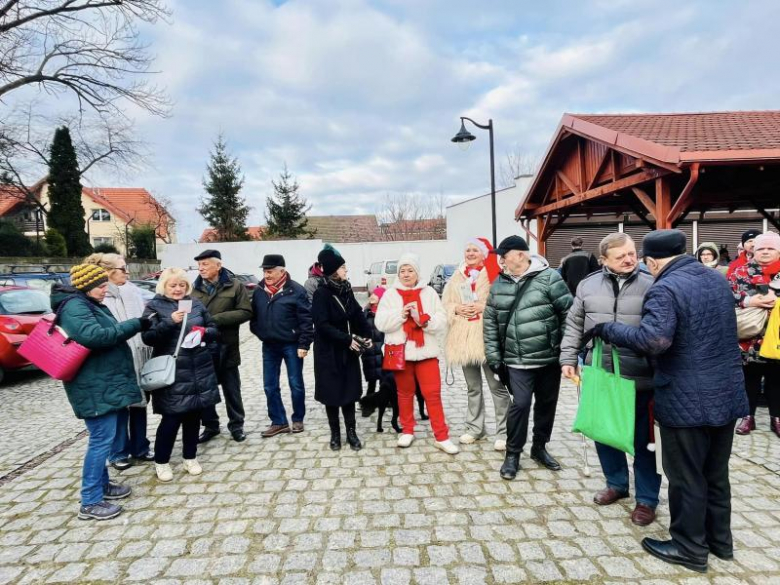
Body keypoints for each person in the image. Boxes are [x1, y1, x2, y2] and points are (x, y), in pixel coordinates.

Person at [590, 229, 748, 573]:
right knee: (715, 474)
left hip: (685, 398)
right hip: (726, 393)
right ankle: (720, 542)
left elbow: (655, 340)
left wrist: (609, 330)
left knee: (687, 476)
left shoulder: (665, 287)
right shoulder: (716, 279)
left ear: (651, 261)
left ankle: (689, 548)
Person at [559, 233, 660, 526]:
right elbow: (575, 324)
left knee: (645, 442)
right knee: (604, 431)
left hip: (640, 374)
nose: (630, 259)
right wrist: (568, 359)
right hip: (600, 370)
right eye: (621, 256)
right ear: (603, 260)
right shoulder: (588, 284)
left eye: (632, 253)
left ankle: (647, 499)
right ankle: (616, 484)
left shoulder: (652, 283)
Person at [52, 264, 150, 520]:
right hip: (93, 386)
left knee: (103, 440)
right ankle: (90, 500)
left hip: (103, 382)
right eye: (101, 285)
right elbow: (96, 337)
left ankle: (102, 487)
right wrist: (134, 324)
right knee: (100, 441)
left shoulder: (85, 303)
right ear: (85, 286)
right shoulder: (75, 306)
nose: (105, 289)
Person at [483, 236, 572, 480]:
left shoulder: (550, 278)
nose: (501, 259)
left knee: (546, 405)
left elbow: (568, 313)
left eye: (505, 255)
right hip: (516, 360)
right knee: (520, 404)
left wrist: (565, 350)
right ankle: (512, 454)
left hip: (548, 359)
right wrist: (493, 357)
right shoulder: (499, 283)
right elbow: (490, 322)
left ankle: (539, 447)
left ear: (520, 255)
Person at [142, 268, 221, 482]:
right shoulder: (153, 306)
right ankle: (162, 461)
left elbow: (214, 329)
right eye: (173, 285)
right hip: (173, 370)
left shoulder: (195, 304)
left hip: (198, 366)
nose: (178, 289)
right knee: (171, 418)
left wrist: (204, 332)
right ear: (164, 286)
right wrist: (170, 322)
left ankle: (190, 456)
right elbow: (148, 337)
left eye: (182, 285)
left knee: (194, 416)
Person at [375, 252, 458, 454]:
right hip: (401, 352)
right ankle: (408, 430)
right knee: (404, 394)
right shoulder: (390, 294)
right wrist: (400, 315)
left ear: (417, 273)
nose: (405, 274)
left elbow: (441, 319)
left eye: (410, 270)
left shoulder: (428, 293)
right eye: (402, 270)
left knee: (432, 394)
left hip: (425, 351)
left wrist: (424, 320)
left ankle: (441, 436)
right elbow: (380, 322)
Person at [84, 253, 154, 471]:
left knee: (139, 403)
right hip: (116, 358)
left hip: (138, 353)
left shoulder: (132, 290)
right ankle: (118, 452)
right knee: (120, 406)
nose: (128, 272)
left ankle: (140, 447)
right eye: (123, 269)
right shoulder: (100, 297)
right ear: (108, 272)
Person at [442, 237, 510, 451]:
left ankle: (504, 431)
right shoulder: (456, 276)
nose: (470, 253)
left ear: (483, 253)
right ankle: (474, 427)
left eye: (474, 250)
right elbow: (446, 303)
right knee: (473, 388)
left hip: (486, 337)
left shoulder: (493, 275)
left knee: (497, 386)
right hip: (463, 339)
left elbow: (503, 301)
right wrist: (456, 309)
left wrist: (483, 306)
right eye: (467, 250)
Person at [312, 247, 373, 450]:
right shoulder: (321, 293)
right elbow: (322, 325)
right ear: (334, 270)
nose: (346, 270)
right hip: (328, 352)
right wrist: (347, 339)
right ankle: (335, 435)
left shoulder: (346, 290)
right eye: (343, 267)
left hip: (348, 351)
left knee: (349, 393)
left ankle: (351, 433)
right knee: (331, 394)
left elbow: (357, 315)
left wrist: (367, 335)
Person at [191, 250, 252, 443]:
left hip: (227, 346)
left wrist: (214, 320)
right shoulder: (193, 289)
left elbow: (245, 312)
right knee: (206, 389)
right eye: (199, 265)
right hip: (202, 348)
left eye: (205, 264)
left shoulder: (235, 286)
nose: (201, 268)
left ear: (218, 265)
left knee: (232, 389)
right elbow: (185, 315)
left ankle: (237, 425)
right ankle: (210, 426)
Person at [250, 254, 314, 437]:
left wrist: (304, 344)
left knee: (296, 383)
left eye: (270, 271)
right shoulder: (259, 290)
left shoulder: (296, 290)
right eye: (264, 271)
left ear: (282, 271)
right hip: (269, 346)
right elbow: (254, 318)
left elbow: (306, 320)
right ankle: (278, 421)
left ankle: (298, 419)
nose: (266, 275)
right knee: (269, 385)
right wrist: (261, 332)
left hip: (292, 345)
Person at [729, 231, 780, 438]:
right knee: (748, 378)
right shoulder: (740, 271)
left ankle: (776, 417)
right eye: (761, 248)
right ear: (753, 250)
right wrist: (750, 301)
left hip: (776, 335)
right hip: (749, 336)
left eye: (771, 248)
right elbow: (727, 295)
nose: (765, 252)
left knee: (777, 378)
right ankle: (747, 416)